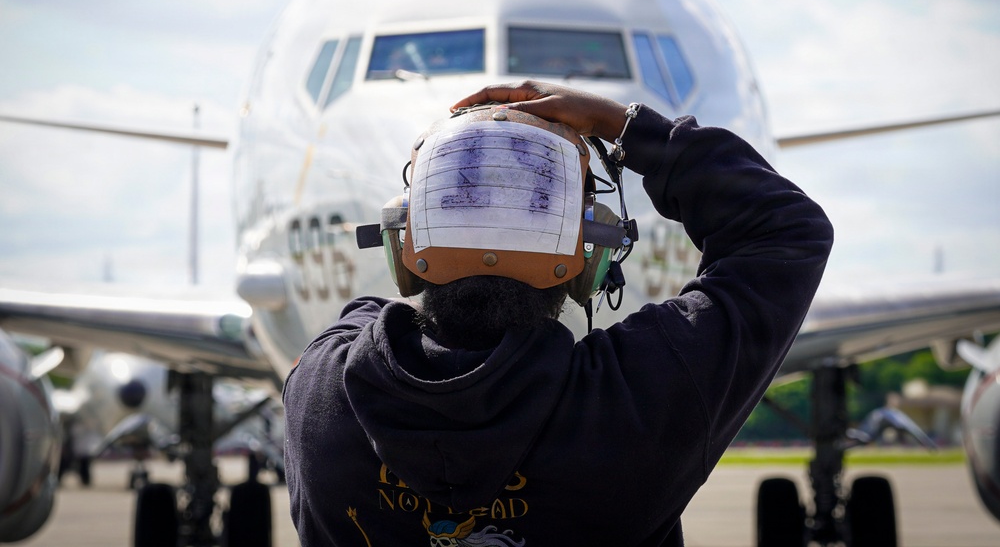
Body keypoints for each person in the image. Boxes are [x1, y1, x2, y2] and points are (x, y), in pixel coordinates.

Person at [283, 80, 833, 546]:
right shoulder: (643, 396)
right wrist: (623, 125)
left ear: (402, 244)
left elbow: (365, 317)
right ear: (587, 261)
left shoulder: (322, 388)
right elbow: (785, 231)